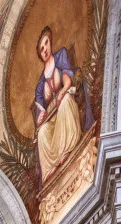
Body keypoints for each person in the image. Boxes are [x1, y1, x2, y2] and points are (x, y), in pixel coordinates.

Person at [33, 27, 91, 185]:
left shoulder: (61, 55)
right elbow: (39, 110)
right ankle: (50, 169)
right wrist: (41, 117)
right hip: (52, 118)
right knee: (43, 132)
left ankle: (67, 149)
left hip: (66, 101)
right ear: (40, 54)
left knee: (65, 101)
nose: (45, 49)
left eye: (46, 44)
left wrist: (63, 91)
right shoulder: (39, 84)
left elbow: (68, 77)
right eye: (41, 49)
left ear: (50, 42)